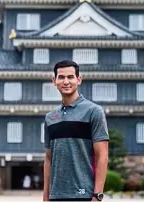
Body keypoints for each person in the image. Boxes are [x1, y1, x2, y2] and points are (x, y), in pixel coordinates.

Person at [43, 60, 109, 201]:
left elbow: (102, 156)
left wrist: (97, 196)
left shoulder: (94, 111)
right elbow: (48, 159)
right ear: (54, 81)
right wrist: (45, 196)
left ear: (79, 80)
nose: (66, 81)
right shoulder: (50, 118)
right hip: (55, 197)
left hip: (84, 195)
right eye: (61, 77)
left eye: (70, 77)